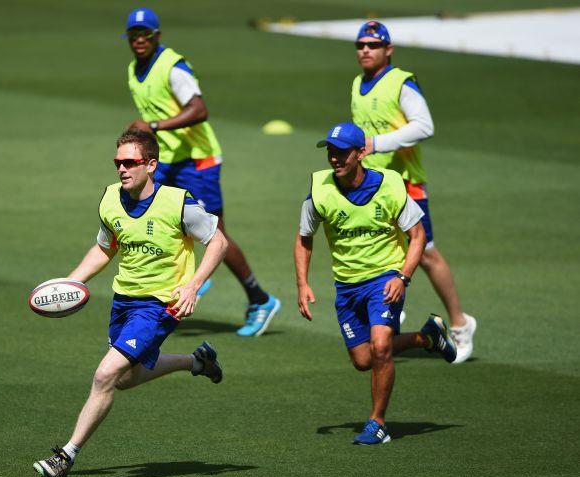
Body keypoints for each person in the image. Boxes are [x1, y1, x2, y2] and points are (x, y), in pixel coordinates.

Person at [33, 129, 228, 477]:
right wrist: (71, 283)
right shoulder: (110, 199)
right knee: (124, 379)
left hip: (160, 305)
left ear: (151, 165)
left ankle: (66, 454)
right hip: (124, 300)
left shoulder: (178, 202)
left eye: (130, 162)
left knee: (105, 374)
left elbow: (219, 242)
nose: (122, 169)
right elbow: (105, 246)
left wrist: (193, 286)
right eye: (117, 162)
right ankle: (196, 361)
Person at [294, 122, 457, 445]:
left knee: (381, 346)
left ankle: (377, 423)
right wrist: (302, 283)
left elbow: (418, 235)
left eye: (342, 152)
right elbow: (303, 238)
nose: (334, 159)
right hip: (346, 286)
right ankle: (427, 337)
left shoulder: (391, 186)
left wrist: (402, 277)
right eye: (330, 152)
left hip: (385, 279)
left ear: (361, 153)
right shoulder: (319, 190)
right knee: (364, 360)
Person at [123, 7, 280, 337]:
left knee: (215, 233)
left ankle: (260, 299)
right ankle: (184, 282)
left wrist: (151, 126)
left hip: (198, 160)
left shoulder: (172, 67)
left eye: (145, 34)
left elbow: (199, 109)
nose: (139, 40)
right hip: (170, 160)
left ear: (157, 36)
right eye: (134, 35)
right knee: (156, 214)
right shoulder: (133, 70)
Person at [349, 21, 476, 363]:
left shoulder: (400, 82)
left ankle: (461, 324)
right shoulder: (357, 85)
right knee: (381, 249)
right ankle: (389, 312)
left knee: (428, 253)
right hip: (376, 186)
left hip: (406, 184)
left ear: (388, 50)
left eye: (373, 45)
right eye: (360, 44)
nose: (365, 50)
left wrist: (377, 143)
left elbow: (424, 125)